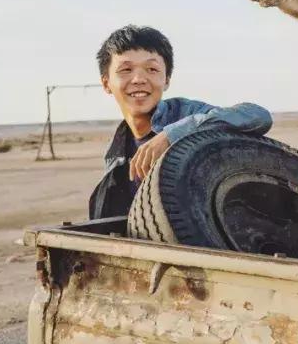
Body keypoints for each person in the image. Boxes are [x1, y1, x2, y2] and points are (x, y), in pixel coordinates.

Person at [88, 25, 272, 218]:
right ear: (106, 83)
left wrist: (171, 135)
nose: (139, 79)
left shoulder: (186, 113)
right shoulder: (116, 149)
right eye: (126, 69)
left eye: (152, 69)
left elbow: (256, 115)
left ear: (166, 79)